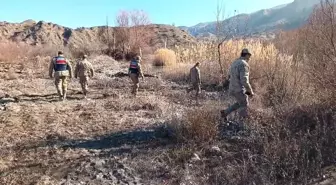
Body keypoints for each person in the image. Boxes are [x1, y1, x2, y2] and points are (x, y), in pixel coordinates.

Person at [221, 48, 254, 121]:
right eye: (249, 56)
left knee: (240, 103)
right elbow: (244, 81)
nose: (249, 58)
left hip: (232, 88)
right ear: (247, 55)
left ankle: (225, 112)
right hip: (239, 89)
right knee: (245, 105)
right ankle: (242, 124)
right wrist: (250, 92)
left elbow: (229, 76)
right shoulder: (244, 64)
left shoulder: (234, 62)